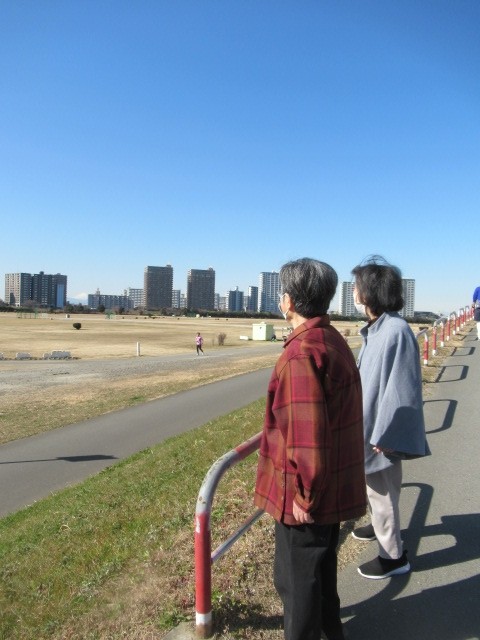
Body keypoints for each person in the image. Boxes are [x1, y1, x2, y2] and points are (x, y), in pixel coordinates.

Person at [254, 258, 366, 640]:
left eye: (281, 294)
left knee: (297, 584)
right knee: (320, 575)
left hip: (306, 498)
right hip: (331, 486)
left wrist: (305, 495)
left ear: (288, 301)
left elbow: (308, 436)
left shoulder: (301, 353)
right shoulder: (330, 339)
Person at [350, 256, 431, 579]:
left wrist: (387, 434)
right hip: (371, 427)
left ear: (370, 293)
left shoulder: (395, 330)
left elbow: (402, 387)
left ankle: (394, 557)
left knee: (382, 492)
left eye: (356, 287)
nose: (354, 293)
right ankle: (381, 527)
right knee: (377, 489)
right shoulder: (378, 328)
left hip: (380, 433)